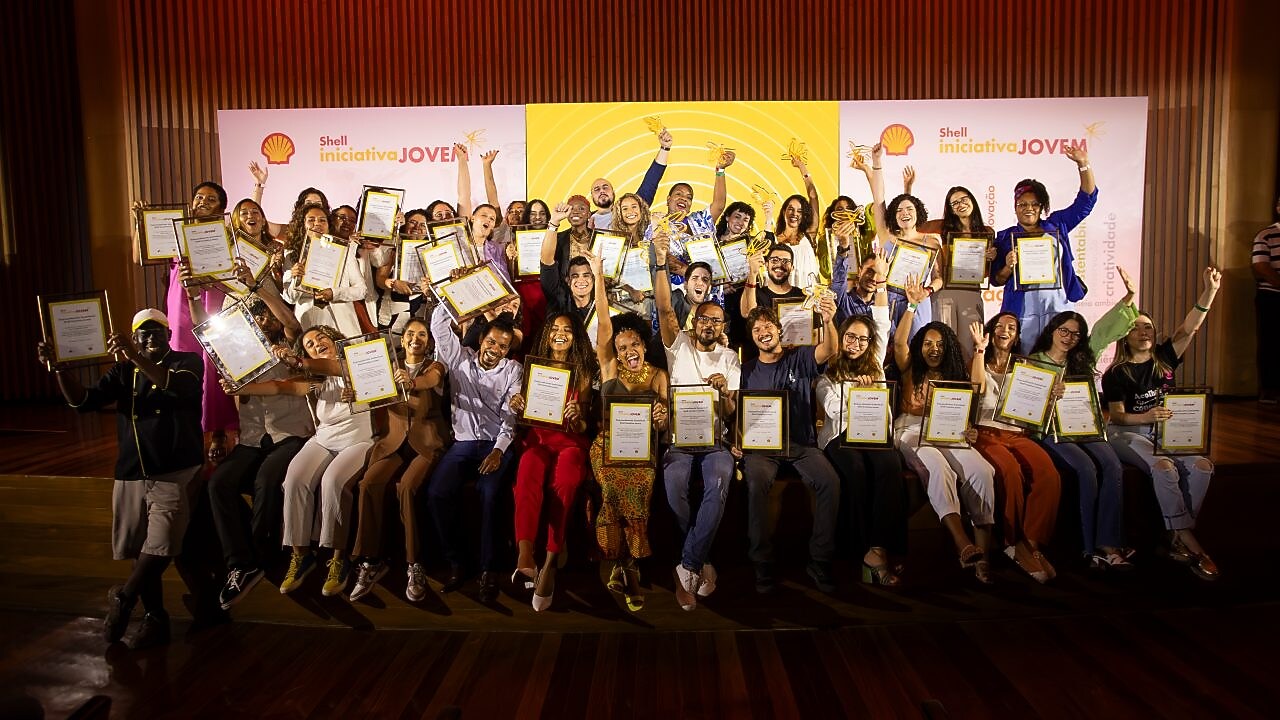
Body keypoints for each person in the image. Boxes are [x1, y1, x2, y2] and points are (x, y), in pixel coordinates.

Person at [40, 309, 203, 649]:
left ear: (168, 332)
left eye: (156, 330)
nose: (149, 337)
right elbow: (82, 402)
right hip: (130, 471)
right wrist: (60, 369)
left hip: (174, 470)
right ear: (135, 338)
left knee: (161, 545)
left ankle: (124, 598)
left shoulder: (187, 362)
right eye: (142, 333)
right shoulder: (123, 370)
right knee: (138, 547)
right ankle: (155, 617)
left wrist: (133, 356)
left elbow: (176, 388)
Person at [230, 325, 374, 598]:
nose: (317, 343)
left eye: (321, 338)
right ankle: (301, 555)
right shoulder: (315, 380)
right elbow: (277, 386)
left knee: (332, 481)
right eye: (309, 343)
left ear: (335, 340)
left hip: (359, 440)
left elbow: (339, 368)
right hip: (324, 439)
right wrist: (238, 387)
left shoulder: (355, 362)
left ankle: (338, 559)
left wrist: (297, 360)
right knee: (294, 478)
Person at [199, 268, 313, 610]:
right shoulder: (238, 353)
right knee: (219, 482)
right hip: (252, 438)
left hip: (290, 435)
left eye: (267, 316)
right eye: (257, 317)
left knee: (266, 479)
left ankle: (263, 557)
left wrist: (259, 289)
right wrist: (193, 296)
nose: (264, 321)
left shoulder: (289, 346)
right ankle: (241, 563)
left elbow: (290, 323)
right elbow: (205, 333)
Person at [1102, 267, 1222, 580]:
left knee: (1203, 466)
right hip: (1125, 432)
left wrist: (1210, 290)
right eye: (1137, 328)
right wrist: (1145, 416)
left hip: (1160, 431)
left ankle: (1176, 534)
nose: (1144, 332)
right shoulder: (1117, 373)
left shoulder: (1164, 359)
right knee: (1164, 467)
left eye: (1149, 328)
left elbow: (1190, 328)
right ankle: (1192, 543)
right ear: (1125, 336)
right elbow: (1116, 416)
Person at [1026, 266, 1139, 570]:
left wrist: (1128, 298)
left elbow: (1103, 330)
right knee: (1086, 469)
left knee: (1113, 465)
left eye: (1076, 335)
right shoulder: (1032, 363)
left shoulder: (1082, 359)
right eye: (1064, 331)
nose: (1069, 338)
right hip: (1052, 431)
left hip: (1085, 427)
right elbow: (1025, 408)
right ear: (1052, 330)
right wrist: (1048, 397)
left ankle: (1109, 542)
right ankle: (1089, 547)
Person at [653, 233, 740, 610]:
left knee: (719, 480)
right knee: (673, 484)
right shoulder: (679, 345)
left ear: (723, 327)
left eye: (716, 321)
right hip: (677, 441)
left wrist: (724, 395)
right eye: (703, 318)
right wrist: (659, 263)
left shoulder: (730, 357)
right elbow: (662, 309)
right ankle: (700, 559)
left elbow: (735, 411)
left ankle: (685, 567)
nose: (708, 324)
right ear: (694, 319)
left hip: (716, 442)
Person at [892, 280, 997, 583]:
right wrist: (911, 306)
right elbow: (899, 344)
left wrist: (979, 350)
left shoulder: (954, 373)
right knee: (937, 467)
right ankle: (962, 542)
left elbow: (976, 389)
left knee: (982, 471)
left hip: (949, 431)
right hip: (911, 429)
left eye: (939, 344)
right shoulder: (910, 365)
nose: (933, 349)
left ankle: (983, 557)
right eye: (927, 343)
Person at [814, 249, 908, 586]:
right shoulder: (827, 375)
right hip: (840, 438)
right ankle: (860, 550)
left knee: (889, 466)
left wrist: (882, 278)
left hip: (875, 437)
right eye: (849, 337)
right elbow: (834, 412)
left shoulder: (877, 365)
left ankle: (880, 548)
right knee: (852, 469)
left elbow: (881, 319)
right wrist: (858, 393)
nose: (855, 343)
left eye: (861, 339)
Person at [740, 294, 842, 594]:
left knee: (830, 482)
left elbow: (830, 349)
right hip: (762, 449)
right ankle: (762, 561)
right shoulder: (745, 371)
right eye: (756, 329)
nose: (763, 332)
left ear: (778, 329)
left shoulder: (799, 357)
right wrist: (736, 442)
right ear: (753, 337)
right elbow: (736, 413)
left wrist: (827, 319)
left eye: (767, 325)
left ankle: (820, 560)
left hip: (801, 445)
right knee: (756, 482)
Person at [589, 251, 670, 611]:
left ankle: (624, 564)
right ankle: (628, 565)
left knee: (640, 485)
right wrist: (598, 274)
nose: (628, 351)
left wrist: (660, 418)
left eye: (634, 344)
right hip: (606, 445)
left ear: (642, 343)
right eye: (622, 348)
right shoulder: (608, 369)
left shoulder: (657, 375)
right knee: (610, 486)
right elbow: (604, 322)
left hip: (642, 450)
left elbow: (665, 418)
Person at [348, 318, 450, 602]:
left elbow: (432, 381)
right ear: (402, 340)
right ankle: (371, 560)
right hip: (393, 442)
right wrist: (355, 394)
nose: (415, 338)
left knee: (406, 487)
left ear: (428, 341)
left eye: (421, 334)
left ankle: (413, 563)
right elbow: (372, 397)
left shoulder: (435, 366)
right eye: (410, 334)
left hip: (426, 444)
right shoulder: (385, 366)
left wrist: (412, 381)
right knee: (368, 483)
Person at [426, 303, 523, 603]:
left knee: (490, 493)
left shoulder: (513, 370)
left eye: (503, 346)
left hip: (496, 443)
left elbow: (511, 417)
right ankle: (457, 562)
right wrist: (456, 297)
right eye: (492, 342)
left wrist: (498, 452)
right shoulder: (458, 360)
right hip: (464, 443)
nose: (495, 349)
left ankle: (489, 569)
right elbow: (439, 325)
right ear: (481, 339)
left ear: (508, 351)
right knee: (437, 493)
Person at [508, 312, 597, 611]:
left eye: (567, 329)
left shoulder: (582, 371)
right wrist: (517, 405)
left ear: (576, 336)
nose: (561, 333)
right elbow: (524, 418)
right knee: (528, 469)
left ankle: (549, 560)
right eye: (555, 328)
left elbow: (583, 426)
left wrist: (576, 418)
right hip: (538, 440)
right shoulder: (533, 367)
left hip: (570, 441)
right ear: (546, 333)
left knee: (568, 479)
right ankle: (525, 551)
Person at [968, 314, 1062, 583]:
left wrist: (1052, 397)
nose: (1005, 330)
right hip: (986, 433)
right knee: (1009, 471)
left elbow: (1036, 411)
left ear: (1018, 336)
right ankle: (1011, 541)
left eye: (1012, 327)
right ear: (991, 331)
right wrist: (979, 350)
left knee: (1048, 474)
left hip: (1018, 433)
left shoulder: (1026, 369)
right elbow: (976, 388)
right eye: (999, 326)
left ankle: (1030, 545)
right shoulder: (979, 361)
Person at [989, 145, 1097, 353]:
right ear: (1015, 207)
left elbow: (1086, 202)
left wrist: (1083, 165)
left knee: (1060, 356)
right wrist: (1008, 267)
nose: (1028, 208)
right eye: (1022, 204)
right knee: (1025, 361)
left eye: (1034, 204)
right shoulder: (1005, 237)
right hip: (1024, 309)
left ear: (1041, 207)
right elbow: (997, 279)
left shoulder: (1057, 225)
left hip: (1057, 304)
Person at [868, 143, 941, 342]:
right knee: (885, 349)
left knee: (916, 350)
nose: (904, 213)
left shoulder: (932, 242)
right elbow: (878, 198)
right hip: (887, 299)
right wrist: (876, 162)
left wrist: (926, 291)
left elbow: (939, 278)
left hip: (917, 301)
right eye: (899, 210)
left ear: (918, 213)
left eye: (909, 209)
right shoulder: (887, 237)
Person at [919, 185, 998, 341]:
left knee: (971, 344)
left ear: (972, 201)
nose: (961, 204)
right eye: (955, 203)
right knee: (945, 343)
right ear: (951, 209)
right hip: (944, 293)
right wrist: (908, 187)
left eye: (964, 199)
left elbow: (986, 274)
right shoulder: (942, 227)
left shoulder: (987, 232)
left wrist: (990, 259)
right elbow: (915, 226)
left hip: (972, 293)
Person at [282, 203, 370, 338]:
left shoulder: (343, 251)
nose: (317, 224)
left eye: (322, 220)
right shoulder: (291, 255)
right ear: (302, 225)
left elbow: (361, 290)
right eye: (311, 220)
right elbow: (290, 299)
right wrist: (296, 278)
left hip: (342, 323)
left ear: (329, 225)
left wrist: (334, 293)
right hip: (309, 324)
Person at [589, 129, 672, 230]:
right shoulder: (585, 220)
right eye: (597, 189)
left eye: (605, 187)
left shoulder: (632, 209)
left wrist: (665, 148)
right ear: (592, 196)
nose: (602, 191)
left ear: (613, 192)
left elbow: (650, 182)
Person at [539, 203, 597, 324]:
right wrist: (554, 221)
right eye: (575, 276)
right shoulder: (559, 297)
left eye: (586, 275)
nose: (581, 280)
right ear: (567, 280)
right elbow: (547, 263)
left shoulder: (601, 304)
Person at [1252, 195, 1280, 404]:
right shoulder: (1267, 234)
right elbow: (1261, 266)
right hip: (1272, 297)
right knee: (1272, 343)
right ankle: (1271, 390)